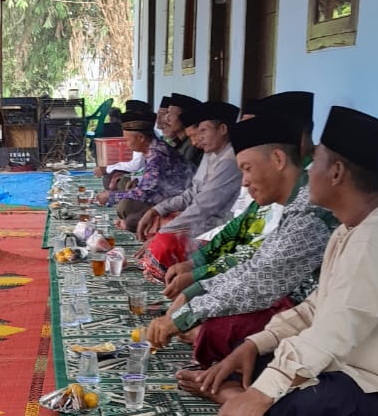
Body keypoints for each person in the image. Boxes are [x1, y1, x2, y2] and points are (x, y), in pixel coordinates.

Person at [196, 106, 378, 416]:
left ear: (337, 172)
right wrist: (257, 343)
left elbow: (334, 331)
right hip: (339, 366)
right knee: (251, 360)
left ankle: (233, 398)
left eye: (315, 162)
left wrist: (258, 396)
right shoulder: (351, 228)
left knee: (292, 405)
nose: (307, 171)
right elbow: (316, 309)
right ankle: (241, 397)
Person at [146, 101, 335, 365]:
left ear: (278, 159)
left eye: (247, 169)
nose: (244, 181)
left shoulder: (309, 214)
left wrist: (184, 314)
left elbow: (260, 282)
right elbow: (254, 266)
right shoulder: (291, 202)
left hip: (299, 317)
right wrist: (196, 289)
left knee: (214, 329)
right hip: (274, 296)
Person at [164, 92, 315, 299]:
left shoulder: (309, 191)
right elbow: (241, 223)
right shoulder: (272, 178)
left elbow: (260, 258)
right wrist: (195, 264)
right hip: (238, 257)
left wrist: (199, 278)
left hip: (280, 293)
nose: (244, 179)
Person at [136, 102, 242, 270]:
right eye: (198, 131)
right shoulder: (212, 152)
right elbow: (192, 192)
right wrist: (157, 209)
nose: (198, 140)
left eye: (203, 131)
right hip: (199, 219)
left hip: (216, 226)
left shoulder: (229, 160)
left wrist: (162, 234)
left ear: (222, 129)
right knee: (156, 225)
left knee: (163, 240)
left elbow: (204, 208)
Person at [94, 100, 195, 231]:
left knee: (129, 214)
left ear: (141, 138)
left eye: (128, 140)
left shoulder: (157, 156)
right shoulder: (154, 150)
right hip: (165, 198)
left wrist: (110, 196)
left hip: (181, 204)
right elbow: (149, 185)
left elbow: (144, 194)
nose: (127, 145)